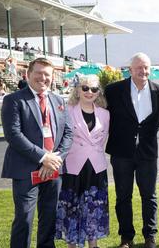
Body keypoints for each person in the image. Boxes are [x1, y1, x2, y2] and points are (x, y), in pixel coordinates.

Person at [1, 57, 73, 248]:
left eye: (47, 74)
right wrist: (43, 157)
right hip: (26, 169)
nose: (43, 78)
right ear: (28, 74)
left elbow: (68, 133)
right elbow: (13, 135)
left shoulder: (59, 100)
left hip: (53, 169)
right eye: (39, 73)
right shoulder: (14, 100)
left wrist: (55, 159)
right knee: (24, 218)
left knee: (49, 216)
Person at [105, 53, 159, 248]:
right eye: (139, 67)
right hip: (121, 152)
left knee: (149, 196)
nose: (144, 71)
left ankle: (150, 236)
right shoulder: (113, 90)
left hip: (147, 153)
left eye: (147, 67)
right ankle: (126, 237)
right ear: (130, 69)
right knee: (123, 196)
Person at [55, 74, 110, 248]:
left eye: (93, 89)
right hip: (73, 166)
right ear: (78, 90)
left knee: (94, 208)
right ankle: (72, 244)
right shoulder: (67, 110)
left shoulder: (105, 114)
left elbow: (103, 140)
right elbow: (62, 137)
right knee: (72, 208)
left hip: (96, 168)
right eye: (85, 88)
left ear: (98, 92)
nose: (89, 92)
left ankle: (93, 244)